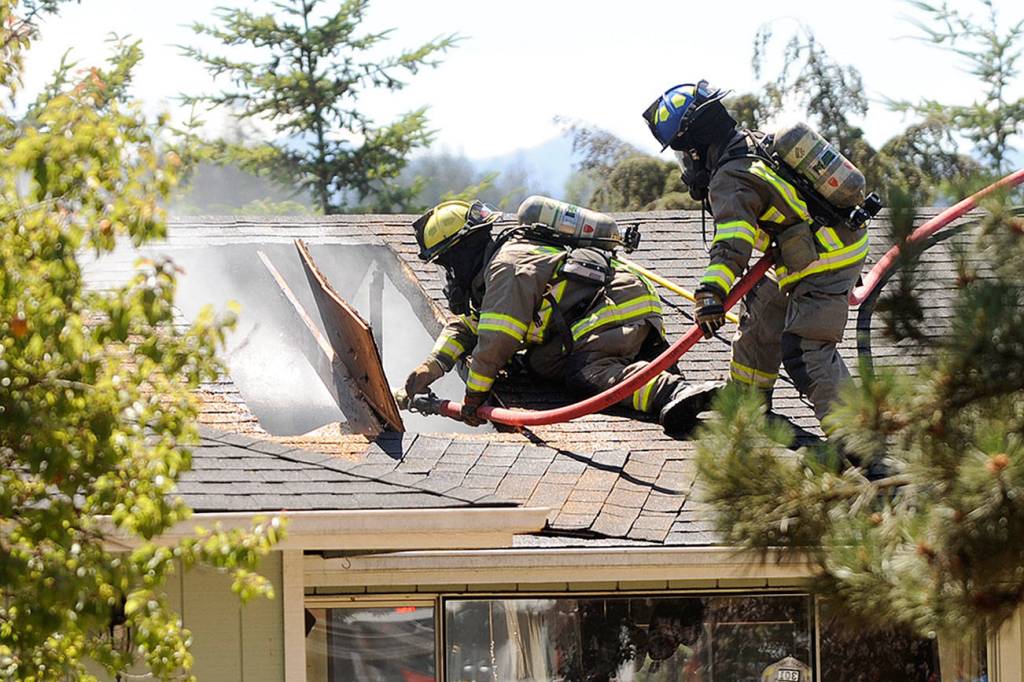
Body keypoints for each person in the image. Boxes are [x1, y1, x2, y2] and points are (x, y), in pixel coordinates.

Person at [642, 80, 869, 429]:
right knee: (761, 311)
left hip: (826, 261)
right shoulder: (749, 143)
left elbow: (734, 241)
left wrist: (711, 292)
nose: (686, 165)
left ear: (697, 146)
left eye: (683, 154)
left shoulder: (729, 178)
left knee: (807, 350)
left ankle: (858, 438)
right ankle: (748, 397)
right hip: (811, 252)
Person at [398, 198, 721, 432]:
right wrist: (432, 366)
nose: (449, 275)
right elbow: (471, 326)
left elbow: (498, 338)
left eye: (446, 263)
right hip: (603, 311)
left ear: (461, 251)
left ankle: (671, 392)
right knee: (541, 363)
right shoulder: (499, 267)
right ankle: (653, 367)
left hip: (612, 310)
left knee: (586, 373)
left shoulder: (507, 267)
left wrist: (474, 396)